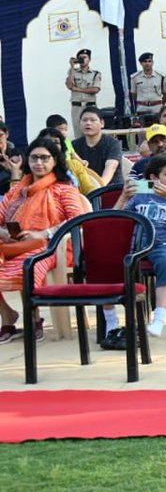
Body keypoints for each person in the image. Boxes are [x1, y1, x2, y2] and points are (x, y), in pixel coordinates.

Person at [99, 153, 166, 347]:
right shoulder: (141, 194)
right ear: (154, 178)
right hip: (137, 245)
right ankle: (111, 321)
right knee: (106, 262)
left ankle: (159, 319)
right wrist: (123, 196)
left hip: (164, 244)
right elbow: (112, 220)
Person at [0, 137, 90, 343]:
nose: (39, 163)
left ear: (55, 161)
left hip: (54, 246)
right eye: (34, 158)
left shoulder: (63, 189)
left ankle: (34, 317)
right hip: (15, 244)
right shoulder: (17, 191)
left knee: (28, 264)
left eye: (44, 158)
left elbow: (77, 220)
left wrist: (44, 233)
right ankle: (7, 315)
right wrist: (3, 232)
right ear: (27, 161)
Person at [71, 107, 123, 188]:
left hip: (110, 189)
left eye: (92, 120)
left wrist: (100, 186)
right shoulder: (74, 145)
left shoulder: (113, 143)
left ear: (102, 123)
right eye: (84, 120)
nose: (88, 123)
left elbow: (111, 166)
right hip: (86, 191)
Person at [64, 48, 102, 138]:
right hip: (77, 107)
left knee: (92, 132)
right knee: (79, 133)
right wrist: (72, 67)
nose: (83, 59)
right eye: (80, 58)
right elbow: (69, 85)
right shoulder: (73, 72)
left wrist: (77, 89)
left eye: (85, 57)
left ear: (89, 59)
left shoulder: (95, 73)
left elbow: (96, 89)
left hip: (90, 105)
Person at [130, 52, 166, 120]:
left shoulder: (161, 76)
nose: (147, 64)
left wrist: (160, 103)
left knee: (158, 129)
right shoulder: (135, 77)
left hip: (157, 108)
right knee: (142, 129)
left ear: (152, 62)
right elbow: (134, 94)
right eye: (145, 62)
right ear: (141, 63)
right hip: (142, 108)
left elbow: (165, 94)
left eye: (149, 61)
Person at [0, 121, 23, 196]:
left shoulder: (17, 155)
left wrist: (12, 169)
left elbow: (27, 181)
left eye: (0, 135)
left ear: (7, 134)